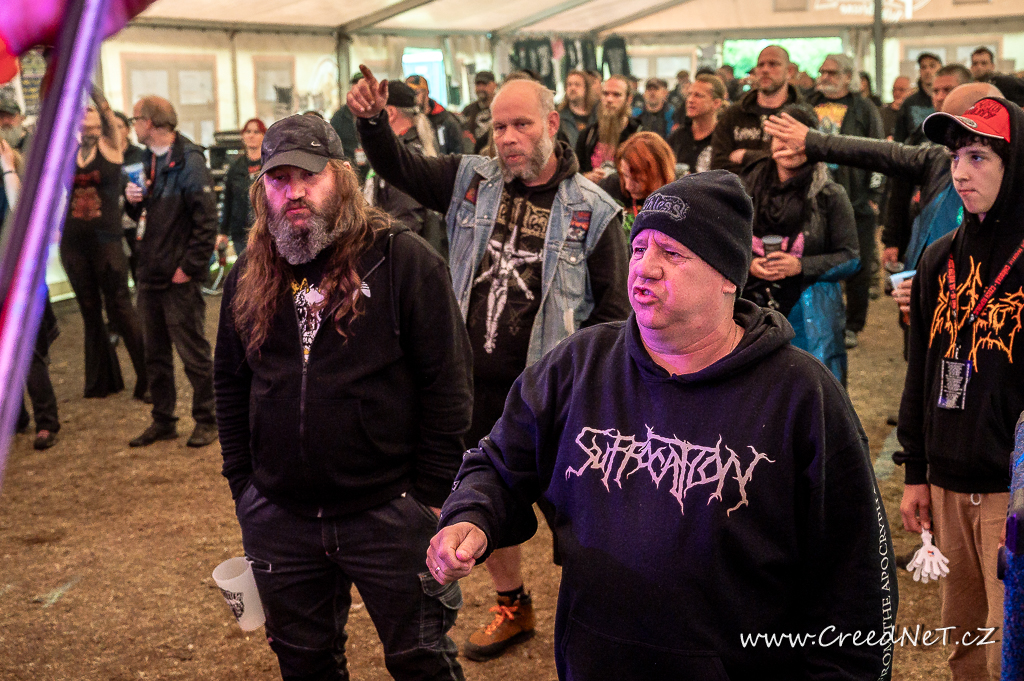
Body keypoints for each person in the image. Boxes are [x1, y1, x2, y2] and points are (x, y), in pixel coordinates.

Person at [427, 170, 898, 681]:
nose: (644, 267)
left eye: (672, 253)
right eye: (639, 248)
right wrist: (472, 514)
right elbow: (499, 464)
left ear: (727, 276)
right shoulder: (580, 365)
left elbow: (855, 582)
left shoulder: (800, 395)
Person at [349, 65, 630, 662]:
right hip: (471, 390)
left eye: (521, 125)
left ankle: (606, 619)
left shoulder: (596, 211)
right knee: (487, 499)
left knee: (583, 517)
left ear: (552, 124)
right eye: (499, 127)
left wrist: (591, 390)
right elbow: (401, 167)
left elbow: (613, 314)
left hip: (555, 396)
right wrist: (373, 123)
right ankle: (513, 604)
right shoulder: (470, 179)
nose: (507, 138)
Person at [214, 112, 471, 681]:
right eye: (279, 179)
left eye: (310, 176)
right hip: (280, 516)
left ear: (342, 177)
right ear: (262, 190)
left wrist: (429, 498)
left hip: (388, 512)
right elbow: (230, 385)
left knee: (421, 660)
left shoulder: (403, 260)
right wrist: (244, 489)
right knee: (305, 664)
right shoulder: (249, 273)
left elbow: (449, 386)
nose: (295, 192)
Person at [896, 96, 1024, 681]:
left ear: (1013, 165)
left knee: (1008, 650)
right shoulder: (938, 258)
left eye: (978, 157)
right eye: (955, 158)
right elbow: (921, 372)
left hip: (1010, 487)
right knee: (963, 641)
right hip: (947, 480)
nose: (960, 173)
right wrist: (916, 471)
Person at [741, 104, 859, 384]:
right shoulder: (745, 187)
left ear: (811, 142)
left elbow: (850, 257)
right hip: (750, 311)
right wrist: (749, 265)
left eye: (795, 138)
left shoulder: (830, 194)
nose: (788, 146)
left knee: (809, 391)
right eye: (779, 137)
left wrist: (800, 265)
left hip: (809, 316)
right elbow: (724, 246)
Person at [124, 95, 218, 448]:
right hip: (149, 272)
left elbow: (206, 222)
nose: (133, 126)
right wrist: (132, 202)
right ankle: (163, 420)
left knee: (193, 353)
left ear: (149, 122)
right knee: (155, 355)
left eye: (135, 119)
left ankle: (208, 419)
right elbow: (143, 218)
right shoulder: (145, 160)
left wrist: (189, 268)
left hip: (177, 277)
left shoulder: (190, 161)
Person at [61, 86, 148, 400]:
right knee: (89, 309)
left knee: (120, 307)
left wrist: (86, 85)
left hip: (106, 242)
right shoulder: (69, 150)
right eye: (82, 114)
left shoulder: (111, 146)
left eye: (93, 114)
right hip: (73, 242)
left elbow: (106, 111)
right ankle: (102, 379)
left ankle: (148, 380)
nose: (88, 117)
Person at [806, 53, 885, 350]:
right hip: (814, 200)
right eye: (822, 71)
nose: (825, 77)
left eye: (832, 72)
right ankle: (817, 318)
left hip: (857, 200)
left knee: (857, 264)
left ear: (848, 76)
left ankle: (853, 324)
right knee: (815, 259)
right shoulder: (809, 104)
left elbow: (880, 153)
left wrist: (875, 196)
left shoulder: (864, 108)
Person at [2, 138, 60, 450]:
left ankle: (46, 422)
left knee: (30, 353)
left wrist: (8, 170)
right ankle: (16, 416)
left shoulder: (18, 175)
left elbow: (20, 215)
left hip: (20, 277)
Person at [364, 81, 445, 251]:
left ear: (390, 113)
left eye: (374, 113)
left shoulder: (404, 156)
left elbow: (406, 220)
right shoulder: (415, 146)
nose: (368, 120)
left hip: (403, 254)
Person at [711, 45, 804, 174]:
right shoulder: (733, 114)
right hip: (737, 186)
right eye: (760, 65)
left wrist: (746, 156)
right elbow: (718, 165)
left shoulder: (801, 115)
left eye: (773, 64)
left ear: (789, 71)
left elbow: (796, 164)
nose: (765, 70)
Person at [598, 131, 676, 237]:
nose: (628, 186)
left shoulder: (676, 201)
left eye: (637, 180)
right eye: (625, 175)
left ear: (659, 175)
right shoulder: (609, 187)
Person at [576, 74, 641, 180]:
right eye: (605, 94)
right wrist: (586, 177)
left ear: (629, 99)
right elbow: (576, 173)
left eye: (616, 95)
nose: (609, 99)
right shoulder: (587, 134)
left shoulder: (639, 134)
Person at [217, 118, 265, 257]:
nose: (251, 135)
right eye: (248, 131)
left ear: (264, 136)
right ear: (243, 136)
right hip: (240, 233)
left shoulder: (270, 165)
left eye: (256, 132)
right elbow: (227, 201)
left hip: (266, 231)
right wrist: (223, 232)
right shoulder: (235, 168)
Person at [668, 73, 725, 175]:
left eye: (698, 95)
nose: (690, 100)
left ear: (716, 103)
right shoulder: (678, 136)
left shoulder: (724, 138)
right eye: (689, 94)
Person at [113, 110, 144, 280]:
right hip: (112, 224)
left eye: (119, 126)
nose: (115, 131)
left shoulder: (139, 154)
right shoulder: (105, 157)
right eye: (111, 127)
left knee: (139, 270)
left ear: (127, 129)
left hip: (136, 221)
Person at [406, 75, 463, 155]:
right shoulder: (407, 121)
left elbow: (458, 153)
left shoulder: (446, 120)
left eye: (416, 93)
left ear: (426, 92)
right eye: (408, 95)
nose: (412, 98)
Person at [893, 52, 942, 143]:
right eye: (923, 67)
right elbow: (899, 138)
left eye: (932, 66)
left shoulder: (947, 100)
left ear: (941, 68)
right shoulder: (909, 103)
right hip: (916, 150)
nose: (927, 71)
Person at [329, 72, 370, 181]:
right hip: (348, 173)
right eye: (356, 94)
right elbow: (331, 145)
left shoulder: (377, 115)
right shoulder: (340, 116)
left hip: (373, 171)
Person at [557, 69, 595, 150]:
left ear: (586, 88)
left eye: (577, 85)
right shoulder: (560, 118)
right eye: (569, 85)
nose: (572, 88)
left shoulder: (597, 116)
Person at [462, 70, 496, 148]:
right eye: (478, 85)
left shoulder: (501, 108)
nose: (481, 88)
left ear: (494, 85)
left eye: (484, 84)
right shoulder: (468, 111)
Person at [881, 76, 913, 140]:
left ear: (910, 92)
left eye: (901, 90)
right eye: (894, 89)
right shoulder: (882, 113)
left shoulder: (913, 113)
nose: (897, 93)